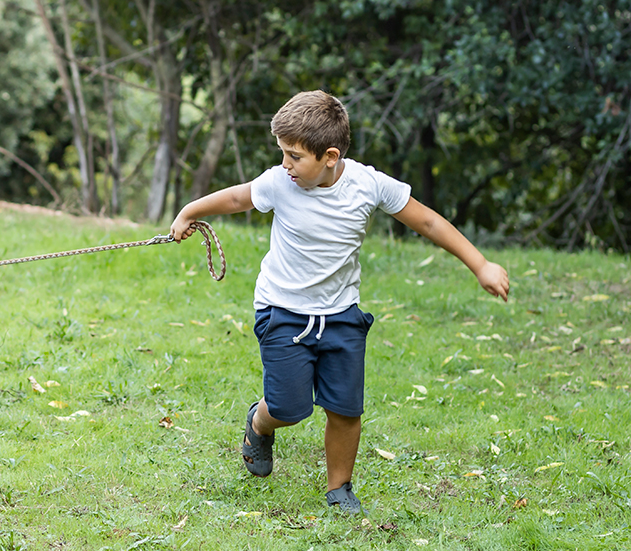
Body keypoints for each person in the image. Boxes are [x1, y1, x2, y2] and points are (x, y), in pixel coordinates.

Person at [169, 90, 509, 514]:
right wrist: (188, 212)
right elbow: (238, 198)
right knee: (290, 408)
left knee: (345, 409)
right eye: (282, 154)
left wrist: (480, 264)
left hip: (341, 313)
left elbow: (426, 219)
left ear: (330, 156)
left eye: (294, 156)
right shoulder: (280, 183)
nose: (284, 165)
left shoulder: (367, 185)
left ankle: (339, 489)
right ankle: (261, 421)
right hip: (282, 312)